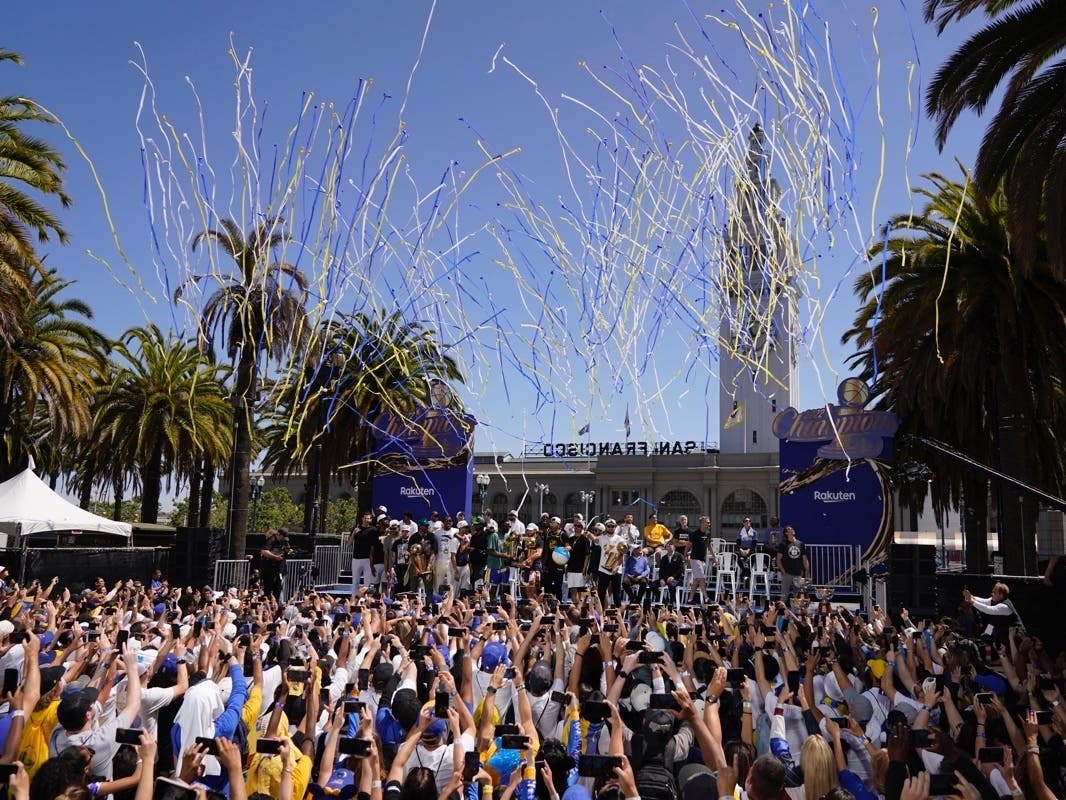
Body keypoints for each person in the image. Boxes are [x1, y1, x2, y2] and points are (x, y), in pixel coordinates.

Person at [776, 525, 809, 602]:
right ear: (786, 533)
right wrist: (783, 571)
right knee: (783, 596)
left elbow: (805, 559)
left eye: (792, 528)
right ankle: (780, 613)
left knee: (798, 597)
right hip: (787, 573)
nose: (792, 529)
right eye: (789, 529)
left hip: (798, 574)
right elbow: (778, 559)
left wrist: (807, 572)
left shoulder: (801, 544)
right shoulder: (783, 544)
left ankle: (797, 613)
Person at [259, 528, 292, 600]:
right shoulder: (271, 540)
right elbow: (264, 551)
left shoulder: (284, 541)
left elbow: (288, 549)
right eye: (282, 537)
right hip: (269, 568)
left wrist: (289, 552)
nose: (283, 539)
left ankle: (276, 602)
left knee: (278, 586)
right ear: (278, 535)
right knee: (268, 586)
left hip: (279, 569)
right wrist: (275, 557)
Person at [737, 516, 758, 581]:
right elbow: (738, 542)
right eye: (746, 521)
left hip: (750, 549)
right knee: (735, 555)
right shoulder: (740, 531)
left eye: (749, 521)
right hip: (742, 549)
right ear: (743, 523)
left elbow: (754, 543)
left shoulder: (754, 532)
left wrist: (748, 550)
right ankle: (745, 570)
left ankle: (747, 572)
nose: (748, 522)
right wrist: (741, 549)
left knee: (753, 556)